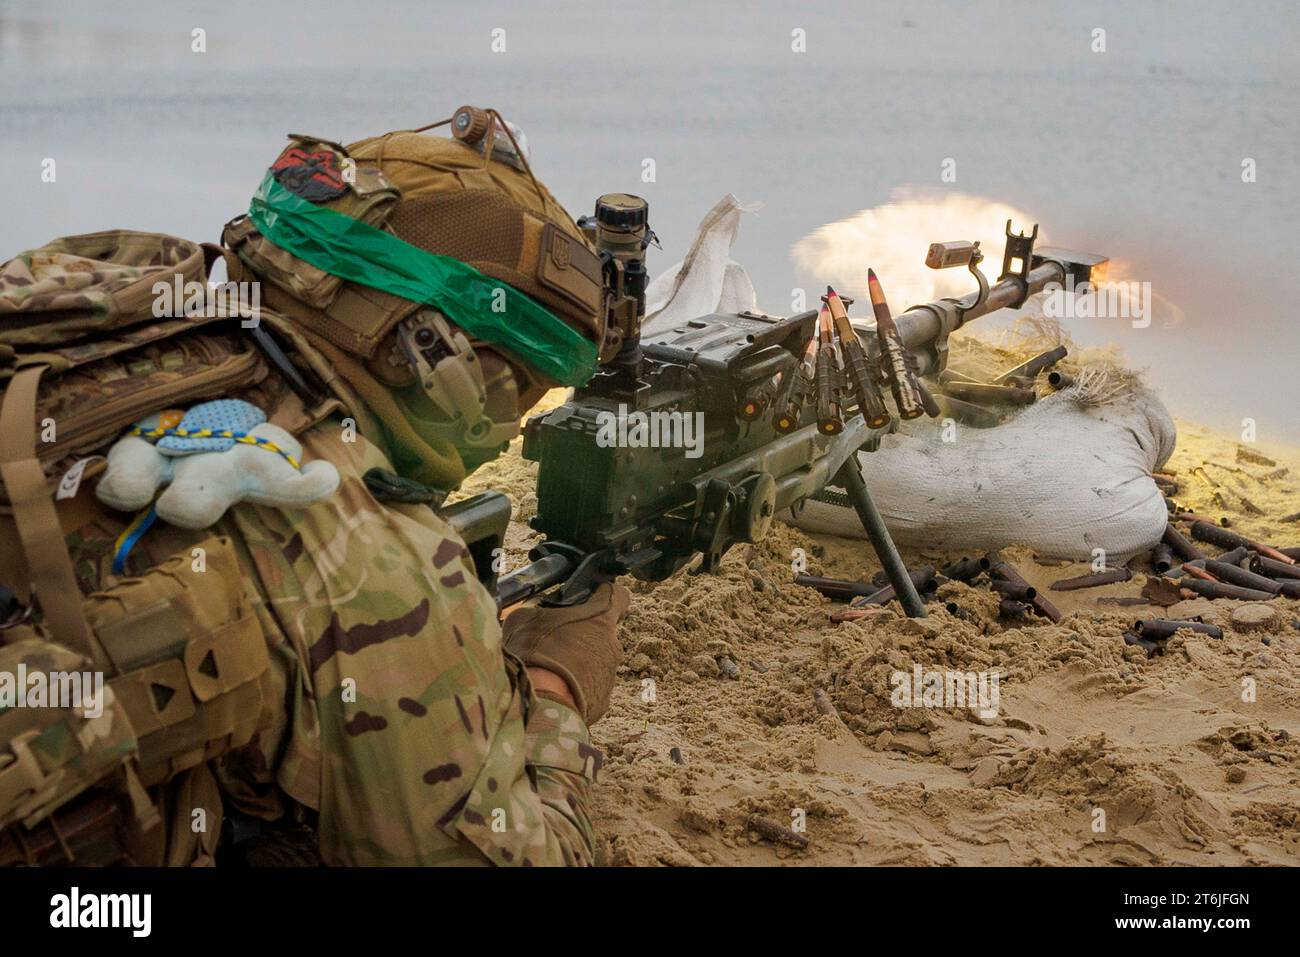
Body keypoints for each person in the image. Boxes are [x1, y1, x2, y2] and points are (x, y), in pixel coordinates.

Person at [0, 108, 629, 866]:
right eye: (526, 387)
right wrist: (560, 679)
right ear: (442, 359)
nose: (514, 422)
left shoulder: (91, 316)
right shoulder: (369, 559)